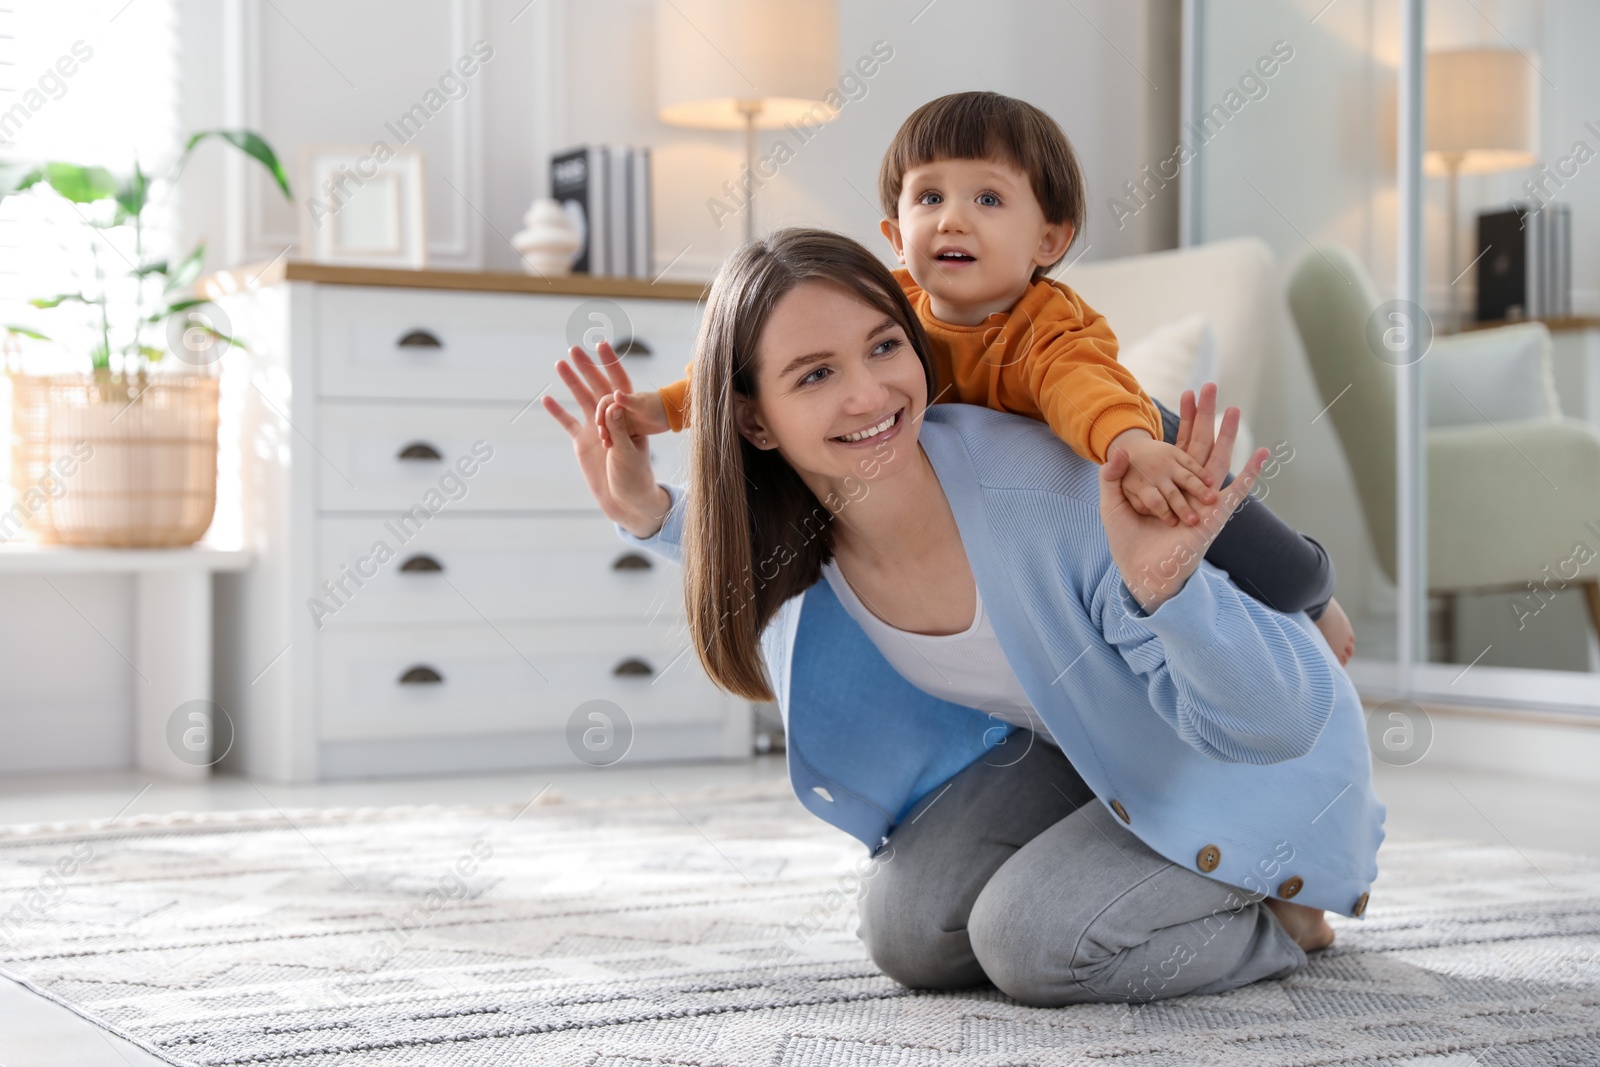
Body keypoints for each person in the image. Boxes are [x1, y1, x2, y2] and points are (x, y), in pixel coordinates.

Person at [543, 228, 1385, 1010]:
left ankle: (1280, 918)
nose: (870, 393)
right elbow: (727, 533)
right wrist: (647, 509)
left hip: (1252, 748)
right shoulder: (807, 525)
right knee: (907, 933)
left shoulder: (1053, 497)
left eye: (884, 346)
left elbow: (1281, 719)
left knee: (1032, 944)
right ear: (752, 419)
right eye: (815, 374)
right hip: (1091, 743)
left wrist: (1170, 592)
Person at [597, 91, 1356, 665]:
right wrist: (662, 410)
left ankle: (1317, 592)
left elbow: (1078, 388)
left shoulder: (1047, 326)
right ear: (895, 233)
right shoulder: (886, 304)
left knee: (1267, 562)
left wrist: (1134, 443)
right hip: (1018, 496)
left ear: (1048, 238)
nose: (952, 219)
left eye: (987, 199)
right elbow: (753, 356)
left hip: (1128, 427)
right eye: (930, 198)